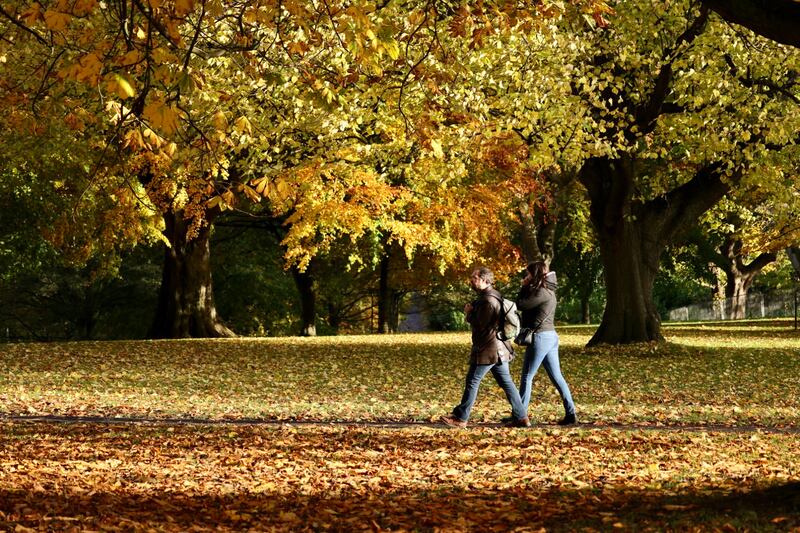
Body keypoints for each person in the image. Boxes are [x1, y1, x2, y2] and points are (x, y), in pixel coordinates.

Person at [441, 267, 530, 428]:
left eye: (474, 278)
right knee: (507, 383)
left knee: (473, 381)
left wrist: (469, 313)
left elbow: (482, 325)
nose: (471, 281)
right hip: (498, 349)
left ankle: (461, 418)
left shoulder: (488, 300)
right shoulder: (493, 296)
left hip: (488, 349)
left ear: (484, 280)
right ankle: (521, 417)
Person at [514, 261, 577, 425]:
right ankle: (571, 413)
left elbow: (521, 304)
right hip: (550, 336)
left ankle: (520, 415)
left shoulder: (541, 292)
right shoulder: (548, 290)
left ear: (534, 275)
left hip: (540, 337)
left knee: (527, 377)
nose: (526, 276)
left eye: (528, 274)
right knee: (557, 377)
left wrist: (523, 287)